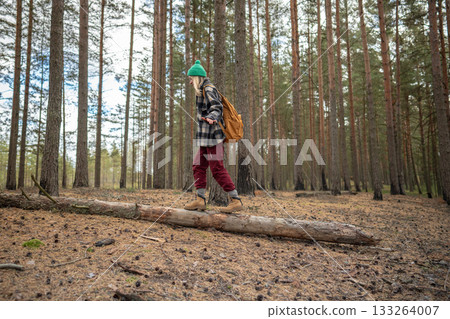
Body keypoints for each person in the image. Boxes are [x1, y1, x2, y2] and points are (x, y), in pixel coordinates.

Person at [184, 60, 243, 213]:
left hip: (213, 136)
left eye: (191, 79)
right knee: (198, 166)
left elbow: (217, 106)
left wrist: (213, 116)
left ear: (197, 78)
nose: (190, 82)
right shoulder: (202, 90)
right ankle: (200, 199)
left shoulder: (208, 89)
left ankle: (235, 200)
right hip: (205, 137)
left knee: (217, 168)